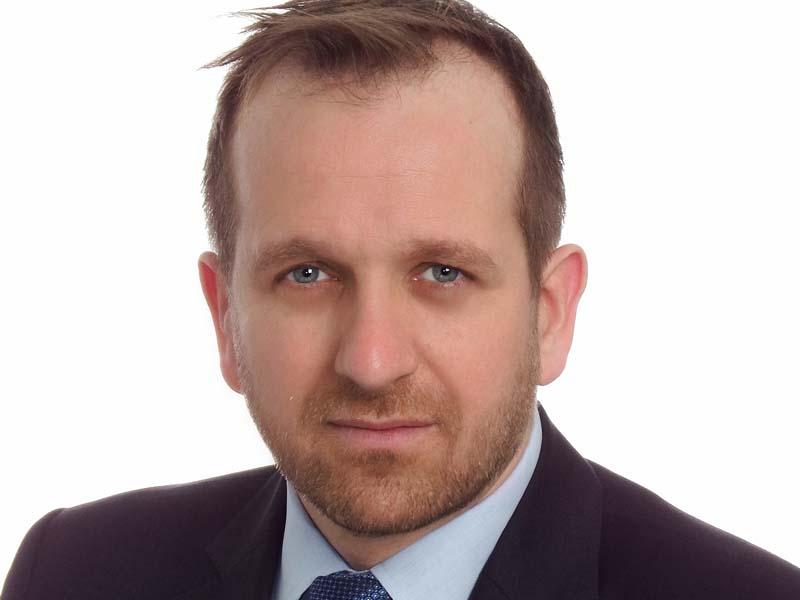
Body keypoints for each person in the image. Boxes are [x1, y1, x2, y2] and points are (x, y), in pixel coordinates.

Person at [3, 1, 799, 598]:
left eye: (442, 273)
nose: (373, 360)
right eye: (307, 274)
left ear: (551, 313)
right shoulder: (72, 574)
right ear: (224, 317)